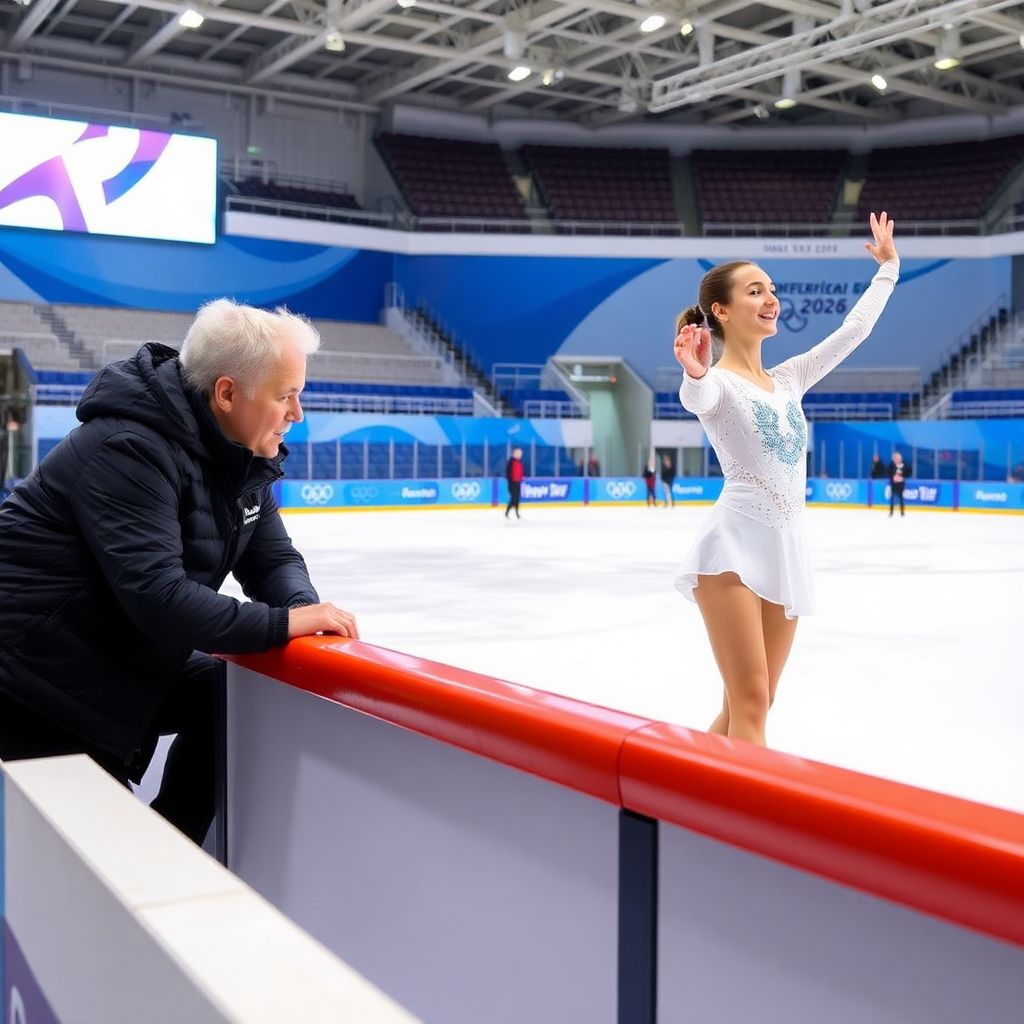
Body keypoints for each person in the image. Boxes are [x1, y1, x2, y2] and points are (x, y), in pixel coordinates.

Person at [0, 299, 359, 845]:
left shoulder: (242, 456)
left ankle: (168, 848)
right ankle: (152, 864)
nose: (297, 413)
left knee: (227, 696)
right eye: (286, 395)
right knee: (89, 882)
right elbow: (158, 596)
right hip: (36, 687)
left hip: (112, 661)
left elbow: (274, 560)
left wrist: (302, 611)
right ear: (227, 393)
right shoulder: (130, 448)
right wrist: (284, 625)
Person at [672, 211, 899, 746]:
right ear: (721, 311)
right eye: (755, 291)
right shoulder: (718, 384)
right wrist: (695, 371)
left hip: (786, 545)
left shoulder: (790, 378)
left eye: (771, 289)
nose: (770, 298)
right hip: (731, 546)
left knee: (752, 703)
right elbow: (698, 397)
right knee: (751, 702)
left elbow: (854, 331)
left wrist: (887, 269)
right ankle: (742, 827)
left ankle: (687, 796)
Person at [505, 446, 524, 518]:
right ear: (515, 453)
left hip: (518, 482)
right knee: (513, 498)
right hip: (512, 482)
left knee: (517, 498)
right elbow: (508, 472)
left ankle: (517, 513)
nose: (520, 455)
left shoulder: (519, 462)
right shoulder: (511, 462)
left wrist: (521, 479)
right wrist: (510, 481)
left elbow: (520, 471)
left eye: (520, 454)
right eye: (519, 453)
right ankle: (507, 512)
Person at [888, 450, 908, 516]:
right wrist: (893, 477)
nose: (896, 459)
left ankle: (902, 512)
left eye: (898, 458)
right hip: (894, 484)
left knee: (901, 498)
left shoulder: (904, 465)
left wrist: (902, 476)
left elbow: (907, 473)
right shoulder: (891, 465)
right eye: (895, 458)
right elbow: (889, 473)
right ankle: (891, 512)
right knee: (892, 498)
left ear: (900, 459)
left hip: (901, 484)